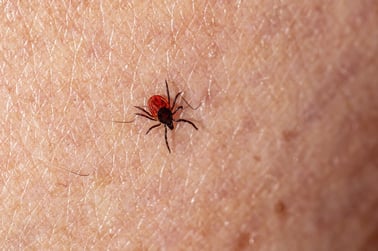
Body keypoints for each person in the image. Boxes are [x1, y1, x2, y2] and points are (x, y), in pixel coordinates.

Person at [1, 1, 376, 250]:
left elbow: (157, 107)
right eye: (167, 118)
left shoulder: (163, 114)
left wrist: (166, 113)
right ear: (162, 116)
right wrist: (161, 111)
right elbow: (153, 108)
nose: (169, 118)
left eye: (169, 117)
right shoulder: (162, 114)